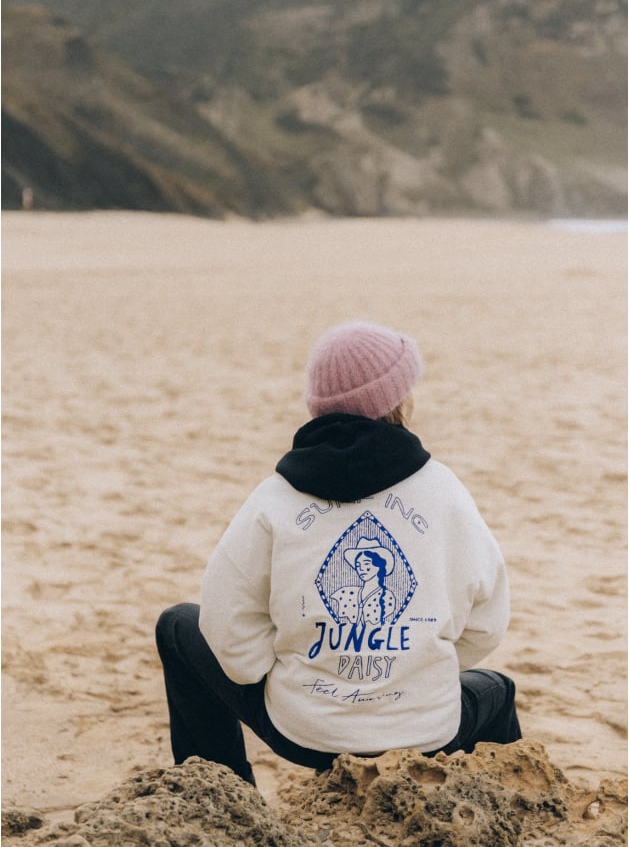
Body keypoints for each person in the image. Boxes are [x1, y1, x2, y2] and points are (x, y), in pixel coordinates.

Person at [156, 320, 521, 785]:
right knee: (497, 692)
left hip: (305, 734)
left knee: (177, 625)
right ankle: (503, 806)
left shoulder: (275, 496)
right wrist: (414, 671)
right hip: (427, 731)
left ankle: (222, 793)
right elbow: (487, 621)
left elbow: (225, 619)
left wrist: (274, 675)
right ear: (397, 400)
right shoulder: (444, 492)